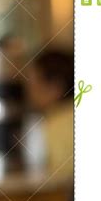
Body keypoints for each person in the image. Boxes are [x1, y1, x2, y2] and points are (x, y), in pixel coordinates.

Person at [25, 49, 74, 178]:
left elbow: (56, 180)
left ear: (55, 88)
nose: (29, 90)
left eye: (33, 82)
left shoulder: (55, 125)